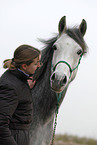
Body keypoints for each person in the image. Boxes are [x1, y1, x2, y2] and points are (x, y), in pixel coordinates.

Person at [0, 44, 41, 145]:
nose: (39, 66)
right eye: (36, 64)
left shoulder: (19, 81)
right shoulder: (10, 86)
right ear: (24, 66)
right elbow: (1, 124)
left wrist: (25, 87)